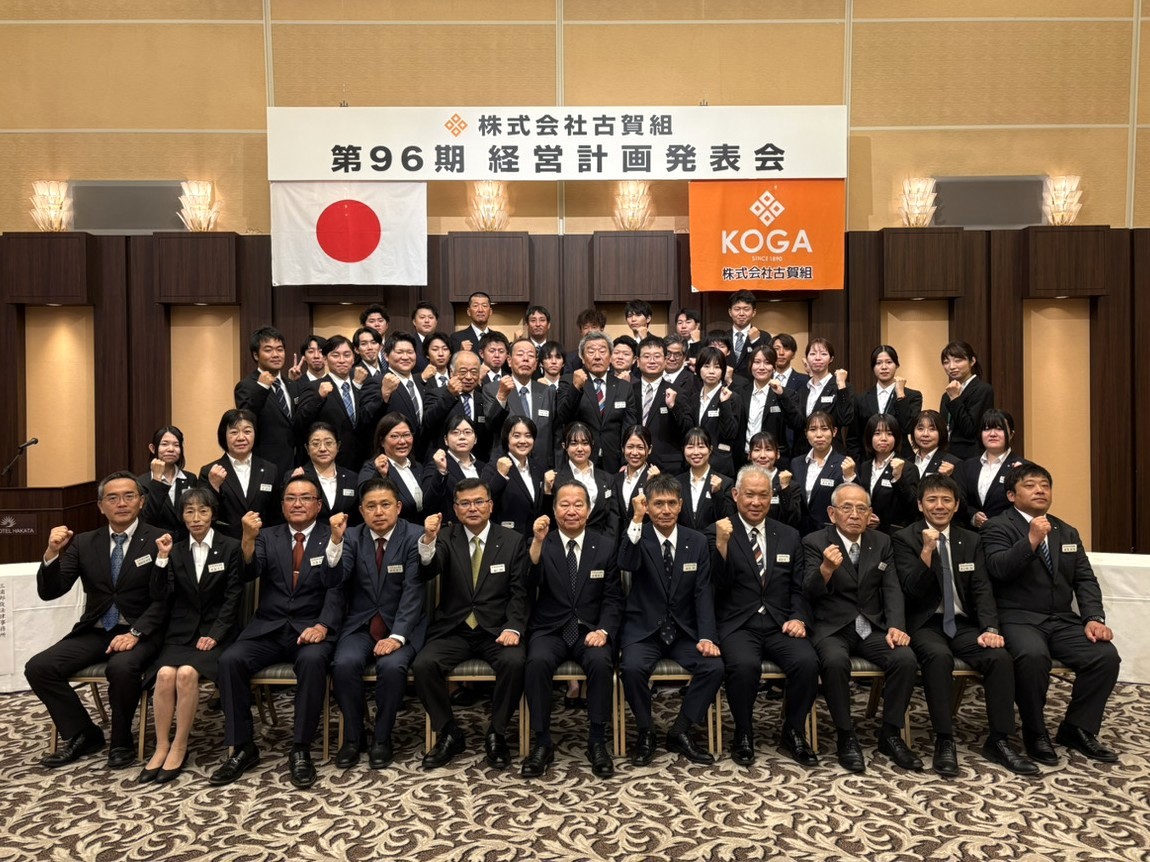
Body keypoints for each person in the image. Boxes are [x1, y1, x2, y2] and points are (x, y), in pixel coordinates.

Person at [891, 474, 1038, 777]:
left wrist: (991, 629)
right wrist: (927, 551)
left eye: (946, 500)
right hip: (925, 623)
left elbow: (982, 589)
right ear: (920, 505)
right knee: (938, 657)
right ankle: (944, 739)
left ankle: (999, 740)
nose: (939, 506)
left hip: (962, 622)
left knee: (999, 657)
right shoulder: (904, 538)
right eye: (932, 500)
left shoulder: (970, 539)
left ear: (957, 505)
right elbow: (912, 590)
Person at [209, 477, 348, 788]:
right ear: (282, 505)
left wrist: (323, 625)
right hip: (269, 628)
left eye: (305, 498)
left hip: (311, 628)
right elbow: (249, 573)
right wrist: (247, 539)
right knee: (230, 660)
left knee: (313, 661)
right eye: (290, 498)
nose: (297, 504)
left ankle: (301, 748)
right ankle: (243, 746)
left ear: (319, 505)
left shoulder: (333, 535)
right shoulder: (267, 536)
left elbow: (337, 586)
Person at [26, 472, 168, 769]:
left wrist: (136, 632)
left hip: (141, 631)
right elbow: (50, 591)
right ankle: (83, 733)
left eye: (129, 496)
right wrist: (52, 553)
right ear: (101, 506)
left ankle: (121, 740)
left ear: (141, 502)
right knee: (39, 667)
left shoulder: (160, 539)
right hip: (97, 629)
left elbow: (167, 597)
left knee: (122, 667)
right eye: (112, 498)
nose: (121, 503)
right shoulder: (84, 542)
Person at [983, 464, 1121, 765]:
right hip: (1018, 618)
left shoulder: (1066, 530)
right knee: (1033, 657)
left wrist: (1093, 618)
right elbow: (998, 569)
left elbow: (1084, 579)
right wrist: (1031, 540)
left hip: (1061, 619)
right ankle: (1034, 731)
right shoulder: (997, 527)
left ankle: (1077, 728)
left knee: (1105, 656)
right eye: (1030, 485)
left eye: (1045, 485)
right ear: (1011, 495)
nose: (1040, 490)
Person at [802, 483, 921, 773]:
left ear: (870, 514)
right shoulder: (814, 542)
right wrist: (825, 570)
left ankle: (890, 734)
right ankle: (845, 735)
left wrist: (896, 626)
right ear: (832, 513)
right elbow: (807, 592)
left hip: (871, 627)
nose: (854, 514)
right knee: (834, 662)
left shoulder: (882, 542)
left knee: (905, 658)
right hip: (832, 627)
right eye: (847, 508)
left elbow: (892, 588)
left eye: (861, 509)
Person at [413, 478, 529, 770]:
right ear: (455, 508)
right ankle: (449, 732)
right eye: (465, 503)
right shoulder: (445, 537)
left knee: (515, 662)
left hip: (496, 630)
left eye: (479, 502)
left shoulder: (512, 540)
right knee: (423, 665)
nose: (472, 508)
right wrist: (428, 540)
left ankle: (497, 732)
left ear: (491, 505)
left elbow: (520, 592)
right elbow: (429, 570)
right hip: (455, 629)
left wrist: (513, 627)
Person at [708, 465, 819, 767]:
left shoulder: (789, 535)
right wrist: (721, 546)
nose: (756, 502)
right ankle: (743, 732)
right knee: (744, 667)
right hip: (738, 624)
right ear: (735, 495)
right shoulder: (719, 531)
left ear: (772, 497)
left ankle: (793, 730)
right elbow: (716, 586)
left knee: (807, 662)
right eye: (749, 495)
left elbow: (798, 587)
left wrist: (798, 618)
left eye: (763, 495)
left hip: (780, 623)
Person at [139, 486, 244, 784]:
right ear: (182, 516)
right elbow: (160, 594)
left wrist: (215, 634)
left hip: (217, 634)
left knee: (186, 674)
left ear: (213, 514)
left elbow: (233, 598)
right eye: (189, 511)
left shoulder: (230, 547)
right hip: (180, 633)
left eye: (203, 511)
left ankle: (180, 745)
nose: (196, 518)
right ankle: (161, 745)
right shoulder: (175, 549)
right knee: (164, 675)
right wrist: (161, 558)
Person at [617, 474, 724, 766]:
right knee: (631, 668)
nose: (665, 510)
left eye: (671, 503)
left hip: (683, 631)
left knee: (714, 667)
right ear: (647, 506)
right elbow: (626, 563)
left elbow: (703, 592)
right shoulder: (637, 536)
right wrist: (636, 519)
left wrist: (707, 636)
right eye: (658, 504)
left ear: (680, 505)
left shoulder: (696, 541)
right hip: (644, 631)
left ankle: (680, 730)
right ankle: (646, 731)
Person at [521, 482, 624, 778]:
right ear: (554, 511)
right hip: (550, 629)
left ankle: (596, 740)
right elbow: (528, 582)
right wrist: (537, 543)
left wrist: (603, 631)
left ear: (588, 511)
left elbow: (613, 598)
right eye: (564, 504)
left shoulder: (604, 545)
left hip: (589, 630)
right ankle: (542, 741)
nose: (571, 511)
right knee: (536, 662)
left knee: (601, 662)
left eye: (578, 504)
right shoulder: (542, 542)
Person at [331, 478, 427, 770]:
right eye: (371, 506)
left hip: (402, 627)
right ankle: (353, 737)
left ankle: (383, 738)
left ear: (398, 507)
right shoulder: (351, 536)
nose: (379, 512)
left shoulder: (415, 536)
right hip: (361, 625)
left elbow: (413, 591)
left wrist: (397, 636)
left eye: (385, 505)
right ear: (361, 511)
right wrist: (335, 542)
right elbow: (336, 580)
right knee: (344, 664)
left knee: (392, 667)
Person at [555, 331, 639, 474]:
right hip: (580, 460)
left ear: (610, 356)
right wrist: (576, 388)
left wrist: (626, 462)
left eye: (602, 351)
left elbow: (628, 427)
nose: (597, 356)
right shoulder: (569, 381)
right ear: (582, 357)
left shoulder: (624, 387)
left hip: (614, 461)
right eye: (591, 351)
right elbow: (563, 417)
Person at [295, 334, 383, 470]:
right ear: (325, 359)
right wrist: (319, 397)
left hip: (362, 462)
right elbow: (299, 423)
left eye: (347, 355)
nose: (342, 360)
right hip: (329, 463)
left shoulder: (360, 387)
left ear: (353, 358)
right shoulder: (314, 387)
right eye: (335, 355)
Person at [199, 408, 281, 541]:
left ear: (255, 434)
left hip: (263, 542)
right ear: (224, 435)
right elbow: (203, 514)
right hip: (225, 544)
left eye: (247, 431)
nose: (241, 438)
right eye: (234, 432)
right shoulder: (210, 471)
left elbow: (276, 514)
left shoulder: (270, 470)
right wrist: (213, 487)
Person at [235, 326, 304, 478]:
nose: (276, 355)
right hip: (265, 465)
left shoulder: (291, 384)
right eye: (268, 350)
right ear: (256, 355)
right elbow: (246, 420)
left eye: (280, 349)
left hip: (295, 464)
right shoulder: (246, 386)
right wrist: (262, 387)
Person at [485, 337, 557, 470]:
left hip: (541, 467)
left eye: (530, 356)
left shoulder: (547, 391)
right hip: (507, 466)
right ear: (509, 361)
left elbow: (554, 433)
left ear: (536, 363)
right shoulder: (493, 389)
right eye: (520, 354)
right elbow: (491, 425)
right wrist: (501, 396)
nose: (525, 359)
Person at [732, 343, 801, 469]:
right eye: (757, 362)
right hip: (743, 460)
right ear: (751, 365)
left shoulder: (786, 394)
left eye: (767, 363)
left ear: (774, 367)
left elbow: (797, 423)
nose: (762, 367)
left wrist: (781, 395)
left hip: (775, 462)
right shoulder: (739, 393)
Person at [956, 409, 1027, 530]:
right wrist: (972, 515)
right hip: (972, 534)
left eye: (999, 429)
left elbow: (1026, 505)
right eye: (987, 429)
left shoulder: (1023, 467)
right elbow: (959, 500)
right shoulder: (967, 465)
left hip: (1009, 533)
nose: (992, 434)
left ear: (1011, 434)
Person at [849, 345, 922, 460]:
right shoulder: (861, 399)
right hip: (869, 460)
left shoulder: (912, 396)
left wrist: (900, 394)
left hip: (901, 459)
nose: (884, 367)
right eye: (878, 363)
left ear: (896, 365)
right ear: (873, 367)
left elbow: (907, 427)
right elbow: (853, 437)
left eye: (889, 362)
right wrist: (859, 463)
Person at [422, 349, 495, 461]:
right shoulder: (437, 394)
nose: (469, 377)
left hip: (476, 462)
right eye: (463, 371)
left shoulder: (483, 398)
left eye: (474, 372)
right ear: (452, 372)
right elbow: (428, 422)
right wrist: (450, 395)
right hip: (444, 461)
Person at [636, 336, 693, 475]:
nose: (652, 361)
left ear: (665, 360)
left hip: (667, 466)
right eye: (646, 356)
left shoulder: (677, 391)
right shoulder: (628, 390)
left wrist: (674, 407)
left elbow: (688, 428)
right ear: (637, 361)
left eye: (657, 356)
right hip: (634, 462)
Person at [553, 422, 620, 540]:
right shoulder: (555, 478)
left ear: (592, 444)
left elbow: (613, 517)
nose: (580, 449)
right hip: (567, 542)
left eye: (585, 443)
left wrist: (607, 544)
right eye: (574, 443)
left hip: (601, 542)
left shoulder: (607, 478)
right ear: (564, 446)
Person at [358, 412, 427, 525]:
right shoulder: (372, 467)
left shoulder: (417, 467)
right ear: (382, 441)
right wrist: (381, 475)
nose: (402, 441)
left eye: (406, 435)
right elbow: (364, 497)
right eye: (395, 436)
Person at [852, 413, 917, 534]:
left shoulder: (908, 468)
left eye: (889, 433)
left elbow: (912, 507)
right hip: (864, 532)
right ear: (869, 437)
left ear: (896, 437)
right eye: (877, 433)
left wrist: (899, 478)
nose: (883, 438)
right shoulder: (865, 466)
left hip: (893, 534)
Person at [789, 411, 852, 535]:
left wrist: (850, 476)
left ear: (834, 432)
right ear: (806, 433)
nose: (819, 435)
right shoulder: (796, 463)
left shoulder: (844, 464)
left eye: (824, 429)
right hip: (799, 531)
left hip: (829, 532)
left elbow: (852, 497)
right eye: (813, 429)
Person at [789, 337, 854, 456]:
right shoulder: (803, 388)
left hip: (832, 452)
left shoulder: (841, 386)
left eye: (823, 354)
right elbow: (797, 423)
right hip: (803, 453)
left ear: (831, 359)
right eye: (812, 354)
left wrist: (841, 385)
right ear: (807, 358)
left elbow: (845, 419)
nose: (817, 358)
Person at [290, 422, 359, 525]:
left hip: (346, 534)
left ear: (338, 446)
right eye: (315, 444)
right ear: (307, 448)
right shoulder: (297, 476)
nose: (322, 448)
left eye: (328, 443)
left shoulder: (352, 478)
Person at [489, 416, 548, 537]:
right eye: (516, 436)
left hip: (535, 538)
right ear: (506, 438)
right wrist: (500, 476)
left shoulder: (538, 468)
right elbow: (485, 500)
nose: (523, 441)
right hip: (506, 538)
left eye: (528, 436)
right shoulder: (494, 467)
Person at [425, 414, 489, 521]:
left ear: (475, 439)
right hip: (453, 527)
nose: (462, 437)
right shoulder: (436, 466)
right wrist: (441, 471)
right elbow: (429, 503)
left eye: (467, 432)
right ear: (446, 440)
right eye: (455, 433)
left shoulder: (483, 467)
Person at [939, 340, 995, 460]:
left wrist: (955, 399)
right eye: (946, 362)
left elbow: (969, 429)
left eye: (958, 361)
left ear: (972, 361)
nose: (951, 366)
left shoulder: (983, 389)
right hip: (947, 455)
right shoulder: (947, 395)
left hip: (970, 456)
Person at [691, 346, 741, 477]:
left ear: (723, 371)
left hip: (720, 465)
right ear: (698, 369)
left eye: (717, 367)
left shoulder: (732, 397)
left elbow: (730, 433)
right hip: (694, 462)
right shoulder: (693, 398)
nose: (711, 371)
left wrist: (724, 404)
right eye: (706, 366)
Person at [140, 425, 195, 541]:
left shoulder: (190, 478)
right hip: (156, 543)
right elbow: (147, 518)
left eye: (176, 445)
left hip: (185, 543)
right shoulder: (141, 482)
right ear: (153, 448)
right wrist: (156, 480)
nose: (171, 449)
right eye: (164, 444)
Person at [379, 332, 428, 457]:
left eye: (410, 352)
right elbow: (367, 419)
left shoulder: (421, 383)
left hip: (422, 455)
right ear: (386, 356)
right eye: (399, 352)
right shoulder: (378, 382)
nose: (405, 357)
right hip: (393, 455)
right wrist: (384, 395)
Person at [676, 427, 733, 531]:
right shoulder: (676, 482)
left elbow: (728, 520)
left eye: (701, 447)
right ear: (683, 450)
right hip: (683, 539)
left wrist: (718, 493)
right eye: (690, 447)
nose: (696, 452)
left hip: (713, 539)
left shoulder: (726, 483)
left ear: (710, 449)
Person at [744, 431, 802, 530]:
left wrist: (785, 489)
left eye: (768, 449)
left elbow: (793, 520)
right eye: (757, 450)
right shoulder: (742, 482)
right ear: (749, 455)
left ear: (777, 454)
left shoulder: (791, 486)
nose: (762, 455)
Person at [612, 424, 659, 530]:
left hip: (646, 537)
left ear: (650, 449)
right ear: (623, 448)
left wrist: (651, 484)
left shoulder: (655, 478)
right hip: (618, 537)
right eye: (630, 447)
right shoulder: (614, 479)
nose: (634, 453)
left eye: (640, 447)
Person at [726, 289, 767, 380]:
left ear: (753, 312)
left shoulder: (764, 337)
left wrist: (756, 341)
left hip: (753, 385)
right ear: (730, 312)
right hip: (726, 386)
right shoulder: (723, 337)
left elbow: (767, 362)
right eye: (737, 309)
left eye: (746, 309)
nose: (741, 314)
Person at [911, 409, 962, 479]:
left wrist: (949, 477)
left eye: (932, 429)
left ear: (941, 432)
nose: (925, 434)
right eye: (920, 428)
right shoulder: (907, 462)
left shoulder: (953, 463)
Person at [662, 334, 699, 400]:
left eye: (677, 355)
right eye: (668, 353)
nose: (672, 358)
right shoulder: (653, 375)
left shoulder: (692, 381)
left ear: (684, 357)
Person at [410, 301, 440, 374]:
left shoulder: (443, 342)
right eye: (422, 317)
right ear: (414, 322)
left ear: (436, 321)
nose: (427, 321)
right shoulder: (409, 343)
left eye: (431, 317)